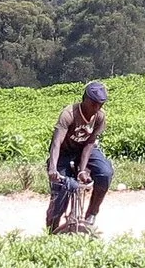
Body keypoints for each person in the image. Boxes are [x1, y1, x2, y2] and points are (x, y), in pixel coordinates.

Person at [44, 80, 112, 233]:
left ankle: (91, 215)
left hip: (84, 150)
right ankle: (53, 229)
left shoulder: (100, 117)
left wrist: (82, 169)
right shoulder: (69, 114)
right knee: (62, 188)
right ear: (85, 99)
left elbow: (90, 143)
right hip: (64, 152)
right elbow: (56, 143)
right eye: (94, 103)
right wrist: (53, 168)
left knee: (105, 172)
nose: (97, 108)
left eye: (101, 104)